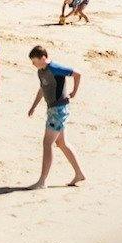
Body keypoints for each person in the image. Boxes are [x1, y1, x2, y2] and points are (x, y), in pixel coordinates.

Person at [25, 46, 85, 188]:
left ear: (43, 58)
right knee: (61, 143)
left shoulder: (55, 67)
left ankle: (42, 181)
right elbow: (42, 89)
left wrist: (74, 92)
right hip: (52, 109)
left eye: (35, 61)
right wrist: (34, 106)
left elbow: (77, 74)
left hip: (59, 110)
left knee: (47, 143)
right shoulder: (41, 72)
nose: (34, 65)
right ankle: (79, 173)